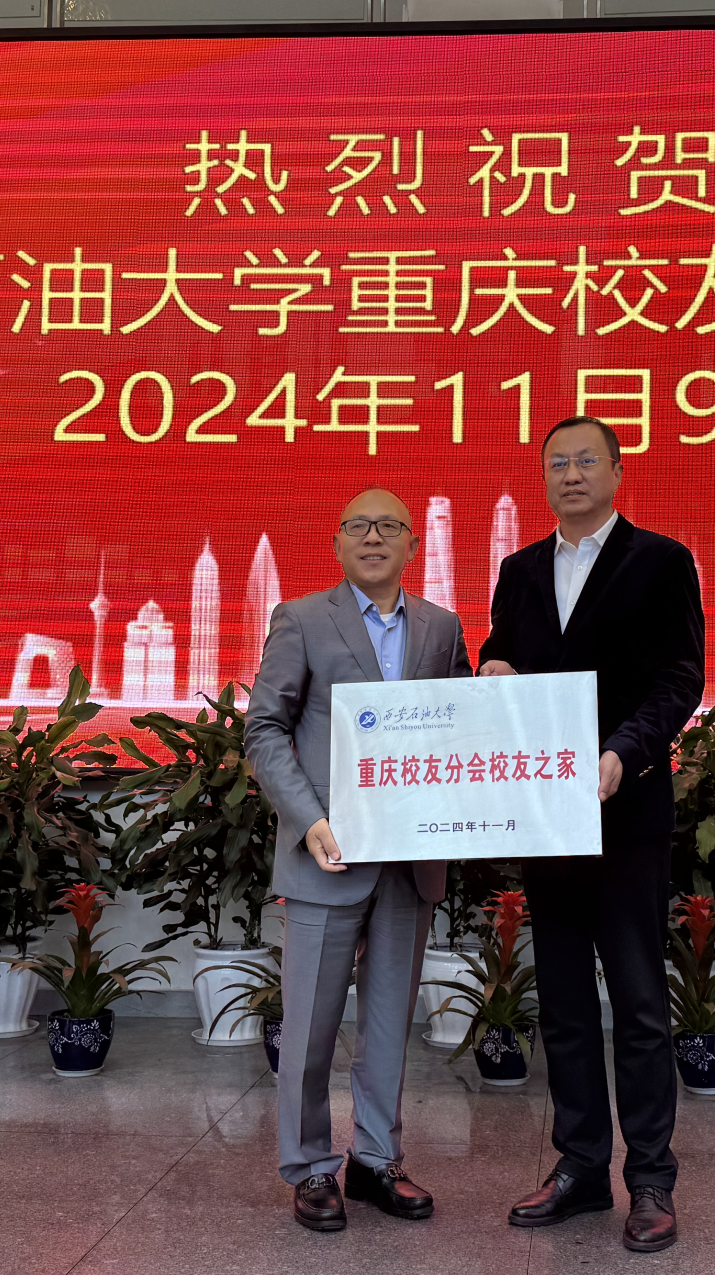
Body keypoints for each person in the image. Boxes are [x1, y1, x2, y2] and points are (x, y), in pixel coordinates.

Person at [479, 416, 706, 1254]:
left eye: (585, 460)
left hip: (627, 810)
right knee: (566, 1004)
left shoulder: (661, 561)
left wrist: (622, 751)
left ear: (615, 471)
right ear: (544, 477)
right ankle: (579, 1165)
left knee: (640, 1004)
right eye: (557, 463)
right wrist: (492, 666)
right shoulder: (519, 569)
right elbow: (502, 653)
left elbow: (680, 678)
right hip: (548, 817)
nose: (570, 474)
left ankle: (649, 1178)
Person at [245, 488, 474, 1233]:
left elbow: (465, 725)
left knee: (387, 1024)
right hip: (328, 855)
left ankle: (376, 1160)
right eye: (357, 526)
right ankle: (310, 1166)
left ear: (412, 543)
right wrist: (309, 820)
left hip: (409, 860)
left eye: (388, 526)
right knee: (310, 1026)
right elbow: (265, 729)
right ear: (338, 542)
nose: (373, 537)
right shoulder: (302, 618)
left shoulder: (442, 627)